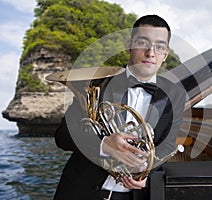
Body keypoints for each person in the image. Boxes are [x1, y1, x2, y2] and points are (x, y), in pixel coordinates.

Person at [54, 14, 185, 200]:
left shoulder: (175, 94)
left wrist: (146, 173)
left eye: (160, 47)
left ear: (165, 54)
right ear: (128, 45)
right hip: (82, 191)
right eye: (143, 43)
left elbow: (167, 146)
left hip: (136, 195)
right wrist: (103, 145)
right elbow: (62, 136)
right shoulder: (98, 83)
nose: (151, 53)